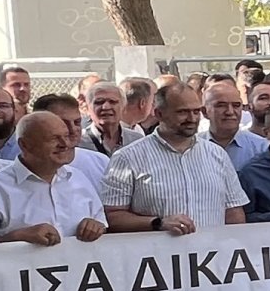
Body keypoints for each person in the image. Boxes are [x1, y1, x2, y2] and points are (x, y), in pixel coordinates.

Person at [101, 83, 247, 235]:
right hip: (157, 256)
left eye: (196, 111)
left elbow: (233, 210)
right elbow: (112, 216)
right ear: (159, 114)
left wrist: (235, 246)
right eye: (182, 112)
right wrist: (157, 223)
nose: (192, 118)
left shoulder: (217, 154)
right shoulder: (127, 158)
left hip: (212, 256)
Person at [0, 112, 107, 247]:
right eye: (53, 138)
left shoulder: (79, 179)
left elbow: (101, 225)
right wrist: (18, 236)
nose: (65, 144)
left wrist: (95, 227)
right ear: (25, 145)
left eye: (67, 136)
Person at [201, 79, 269, 172]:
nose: (230, 112)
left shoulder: (262, 148)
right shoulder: (191, 147)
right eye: (221, 105)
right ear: (205, 112)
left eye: (236, 105)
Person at [80, 82, 131, 155]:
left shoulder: (136, 140)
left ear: (124, 107)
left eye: (112, 102)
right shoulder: (79, 142)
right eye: (99, 102)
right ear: (88, 108)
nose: (106, 107)